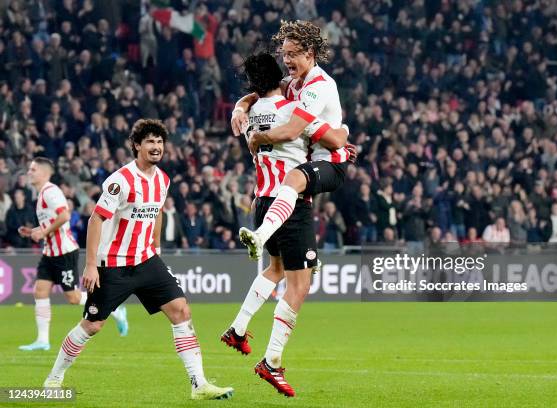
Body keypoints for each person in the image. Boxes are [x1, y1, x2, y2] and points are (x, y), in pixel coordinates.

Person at [43, 119, 233, 400]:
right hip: (113, 265)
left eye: (160, 142)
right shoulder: (120, 181)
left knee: (181, 310)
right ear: (137, 145)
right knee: (93, 325)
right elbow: (97, 219)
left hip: (146, 260)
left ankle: (199, 384)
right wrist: (91, 264)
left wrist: (156, 247)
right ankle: (54, 379)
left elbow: (156, 212)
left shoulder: (163, 180)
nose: (156, 147)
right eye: (150, 142)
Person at [221, 52, 347, 398]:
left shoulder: (251, 114)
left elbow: (254, 101)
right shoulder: (293, 110)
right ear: (280, 78)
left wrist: (239, 106)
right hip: (290, 203)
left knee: (275, 269)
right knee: (299, 285)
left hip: (261, 199)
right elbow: (335, 140)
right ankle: (271, 361)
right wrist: (343, 133)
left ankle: (238, 327)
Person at [231, 20, 354, 260]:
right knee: (293, 186)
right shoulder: (291, 83)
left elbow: (292, 130)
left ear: (309, 54)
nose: (285, 61)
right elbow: (256, 94)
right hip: (314, 155)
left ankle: (262, 234)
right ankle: (307, 258)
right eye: (284, 54)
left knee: (294, 178)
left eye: (291, 55)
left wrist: (259, 137)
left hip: (331, 160)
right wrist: (239, 109)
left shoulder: (318, 86)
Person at [18, 157, 128, 351]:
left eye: (33, 169)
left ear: (44, 172)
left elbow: (65, 216)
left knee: (74, 298)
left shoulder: (50, 192)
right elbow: (53, 223)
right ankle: (43, 340)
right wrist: (36, 230)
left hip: (64, 253)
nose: (29, 172)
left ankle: (115, 309)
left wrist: (43, 232)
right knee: (40, 291)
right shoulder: (42, 193)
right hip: (50, 252)